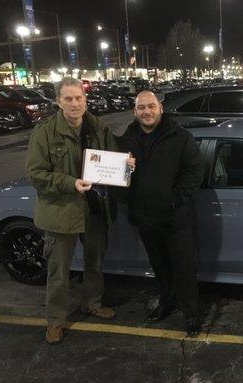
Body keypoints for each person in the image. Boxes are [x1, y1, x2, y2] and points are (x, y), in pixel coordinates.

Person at [26, 77, 135, 344]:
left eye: (78, 98)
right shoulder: (45, 132)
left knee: (94, 262)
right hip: (61, 210)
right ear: (58, 102)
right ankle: (55, 320)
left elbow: (112, 159)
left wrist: (126, 166)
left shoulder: (98, 126)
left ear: (85, 100)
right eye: (68, 99)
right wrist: (70, 183)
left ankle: (92, 303)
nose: (74, 104)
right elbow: (36, 174)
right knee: (58, 270)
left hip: (95, 207)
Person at [118, 90, 204, 336]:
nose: (146, 111)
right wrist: (128, 196)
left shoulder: (180, 137)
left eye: (151, 106)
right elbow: (117, 176)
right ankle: (167, 302)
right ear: (135, 111)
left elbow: (195, 172)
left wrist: (174, 200)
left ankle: (191, 315)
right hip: (145, 219)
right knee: (160, 267)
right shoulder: (128, 139)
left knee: (184, 268)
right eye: (141, 107)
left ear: (160, 108)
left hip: (175, 219)